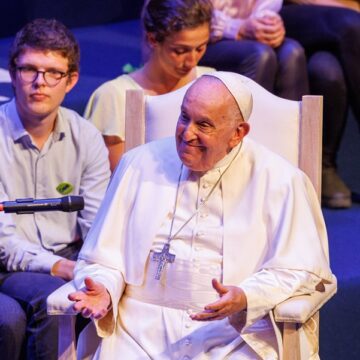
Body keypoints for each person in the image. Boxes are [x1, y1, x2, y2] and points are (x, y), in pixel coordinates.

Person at [69, 71, 334, 359]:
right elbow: (103, 256)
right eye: (184, 117)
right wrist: (104, 288)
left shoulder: (281, 180)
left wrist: (247, 296)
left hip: (234, 333)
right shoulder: (139, 164)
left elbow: (299, 269)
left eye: (203, 125)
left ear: (238, 133)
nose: (187, 133)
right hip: (138, 330)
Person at [0, 18, 110, 360]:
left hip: (72, 257)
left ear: (71, 80)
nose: (39, 83)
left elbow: (97, 225)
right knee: (52, 298)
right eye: (29, 69)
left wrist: (96, 270)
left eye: (53, 73)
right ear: (13, 73)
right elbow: (4, 244)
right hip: (8, 265)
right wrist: (61, 268)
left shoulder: (86, 137)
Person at [84, 0, 214, 172]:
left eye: (200, 48)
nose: (191, 61)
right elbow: (118, 182)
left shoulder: (211, 83)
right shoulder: (116, 96)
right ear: (152, 39)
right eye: (180, 51)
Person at [280, 1, 360, 208]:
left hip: (339, 27)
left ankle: (324, 165)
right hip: (287, 14)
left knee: (326, 72)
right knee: (351, 24)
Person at [198, 0, 309, 101]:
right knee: (260, 54)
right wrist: (236, 28)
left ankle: (290, 122)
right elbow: (194, 11)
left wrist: (269, 25)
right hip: (206, 40)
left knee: (291, 52)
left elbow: (267, 8)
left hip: (251, 35)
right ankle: (250, 121)